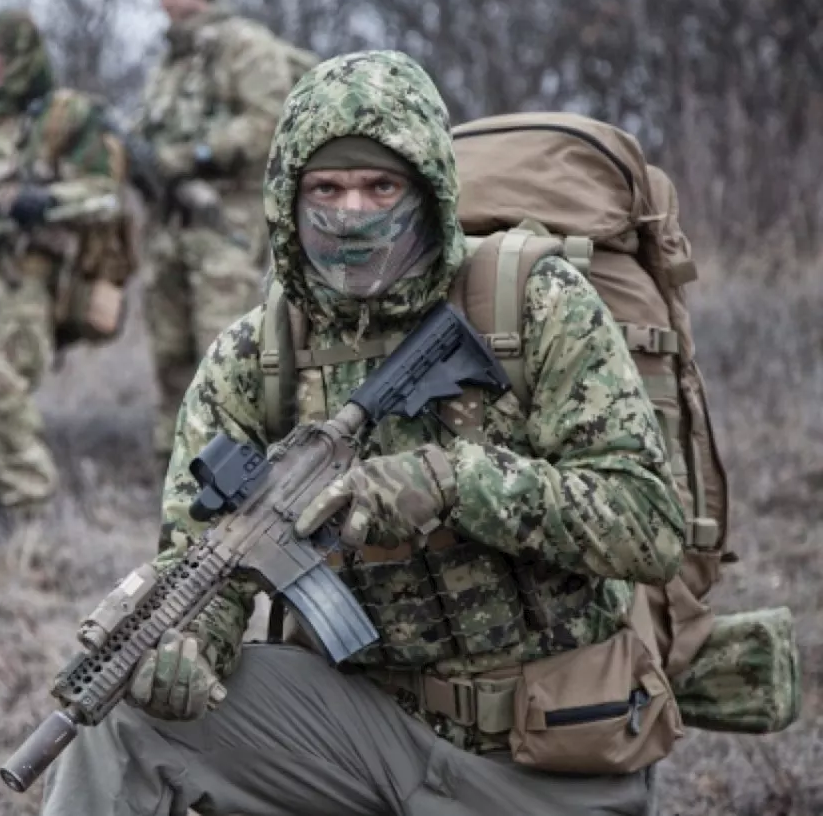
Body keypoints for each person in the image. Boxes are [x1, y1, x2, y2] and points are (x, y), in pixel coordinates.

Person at [40, 51, 687, 815]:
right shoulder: (253, 360)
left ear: (429, 191)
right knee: (124, 719)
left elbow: (650, 526)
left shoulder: (535, 306)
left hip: (544, 753)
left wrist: (451, 484)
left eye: (382, 186)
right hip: (358, 732)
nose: (353, 213)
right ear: (289, 199)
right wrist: (188, 645)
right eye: (327, 189)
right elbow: (203, 563)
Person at [0, 9, 127, 522]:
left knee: (5, 387)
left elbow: (104, 194)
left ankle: (30, 512)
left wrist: (43, 201)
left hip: (25, 276)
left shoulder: (61, 117)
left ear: (25, 56)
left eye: (1, 53)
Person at [137, 0, 307, 468]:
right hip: (168, 227)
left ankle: (235, 470)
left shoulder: (244, 45)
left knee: (225, 354)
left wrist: (194, 155)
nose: (173, 1)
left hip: (224, 223)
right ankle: (172, 468)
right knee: (169, 356)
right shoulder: (171, 62)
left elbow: (267, 120)